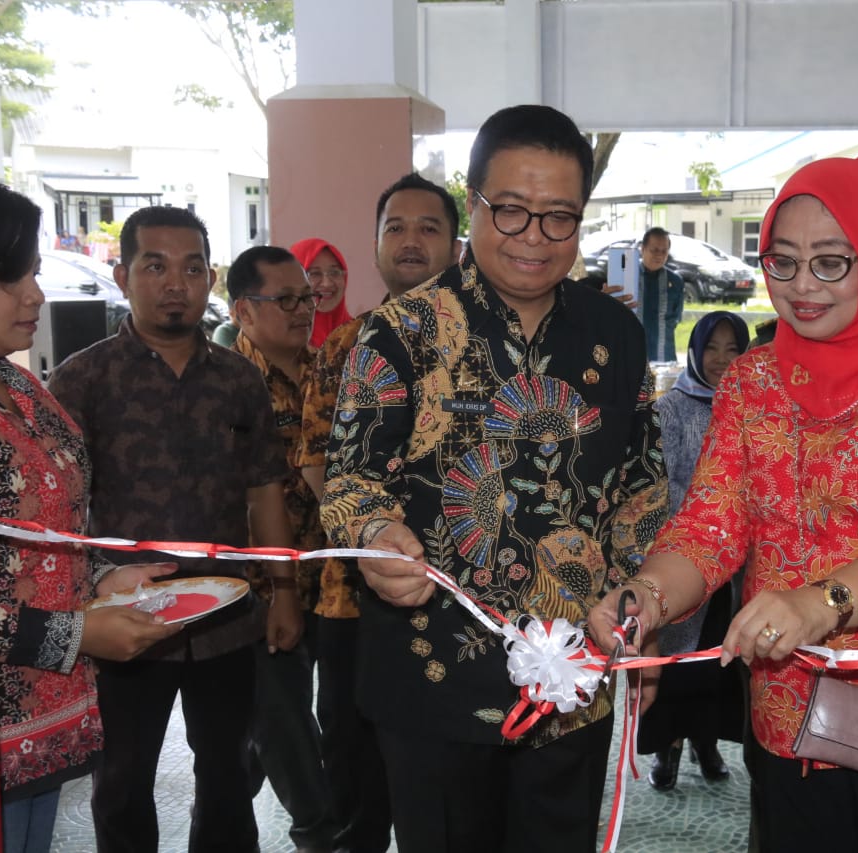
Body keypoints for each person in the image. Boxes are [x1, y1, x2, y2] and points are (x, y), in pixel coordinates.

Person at [589, 156, 858, 852]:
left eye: (830, 262)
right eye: (782, 262)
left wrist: (822, 603)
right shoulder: (751, 382)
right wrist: (646, 598)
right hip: (794, 712)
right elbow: (710, 525)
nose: (802, 286)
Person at [318, 104, 667, 853]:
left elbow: (642, 488)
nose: (534, 237)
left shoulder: (616, 336)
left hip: (573, 681)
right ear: (473, 203)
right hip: (432, 683)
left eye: (559, 217)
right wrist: (375, 534)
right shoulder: (402, 330)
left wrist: (640, 601)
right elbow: (350, 478)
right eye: (510, 211)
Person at [47, 205, 304, 853]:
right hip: (124, 620)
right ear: (123, 275)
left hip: (227, 616)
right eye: (154, 266)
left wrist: (283, 591)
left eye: (191, 269)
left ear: (209, 279)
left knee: (229, 774)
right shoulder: (83, 379)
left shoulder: (239, 379)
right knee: (122, 779)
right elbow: (60, 509)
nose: (174, 284)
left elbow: (264, 489)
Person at [0, 172, 180, 852]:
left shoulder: (21, 387)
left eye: (32, 272)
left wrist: (101, 581)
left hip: (47, 718)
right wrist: (77, 632)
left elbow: (41, 537)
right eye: (8, 277)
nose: (34, 294)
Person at [297, 172, 461, 852]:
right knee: (355, 769)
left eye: (429, 227)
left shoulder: (485, 348)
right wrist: (374, 534)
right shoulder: (346, 345)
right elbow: (317, 462)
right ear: (376, 244)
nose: (411, 241)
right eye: (396, 227)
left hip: (457, 608)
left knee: (444, 788)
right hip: (351, 601)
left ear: (457, 245)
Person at [225, 245, 336, 852]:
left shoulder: (331, 372)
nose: (302, 310)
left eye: (307, 298)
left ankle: (219, 819)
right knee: (286, 720)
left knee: (257, 737)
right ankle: (319, 834)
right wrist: (275, 591)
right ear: (243, 311)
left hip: (333, 584)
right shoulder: (225, 384)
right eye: (285, 299)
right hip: (260, 591)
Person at [640, 310, 749, 792]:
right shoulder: (673, 409)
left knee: (715, 662)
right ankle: (667, 748)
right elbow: (655, 489)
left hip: (735, 568)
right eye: (712, 348)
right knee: (676, 666)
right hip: (683, 558)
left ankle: (706, 743)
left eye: (733, 349)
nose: (721, 359)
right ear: (694, 351)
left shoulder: (751, 406)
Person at [294, 237, 353, 348]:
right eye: (315, 273)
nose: (327, 284)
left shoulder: (361, 336)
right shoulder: (281, 344)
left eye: (334, 272)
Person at [639, 226, 685, 362]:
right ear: (643, 249)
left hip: (665, 359)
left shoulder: (675, 282)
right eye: (654, 250)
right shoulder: (627, 278)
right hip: (630, 357)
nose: (659, 255)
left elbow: (675, 319)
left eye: (664, 251)